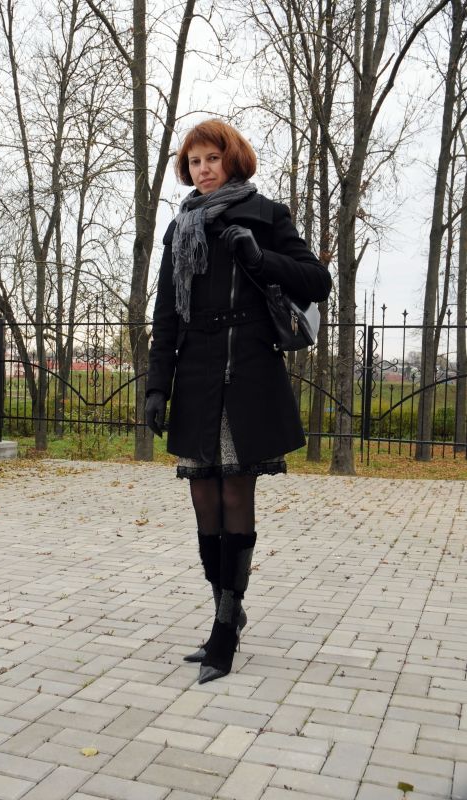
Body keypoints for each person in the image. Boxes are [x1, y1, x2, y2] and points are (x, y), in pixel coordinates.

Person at [145, 119, 332, 684]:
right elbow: (166, 315)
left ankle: (225, 630)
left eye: (211, 158)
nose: (203, 169)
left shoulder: (266, 215)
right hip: (196, 375)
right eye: (194, 161)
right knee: (203, 499)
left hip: (248, 374)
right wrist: (157, 386)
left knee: (233, 493)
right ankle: (225, 604)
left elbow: (316, 282)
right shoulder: (180, 229)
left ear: (232, 159)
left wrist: (258, 257)